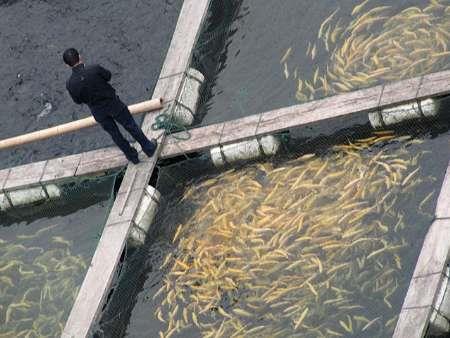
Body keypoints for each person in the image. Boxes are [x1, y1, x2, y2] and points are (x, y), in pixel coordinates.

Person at [63, 48, 157, 164]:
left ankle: (132, 157)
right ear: (79, 56)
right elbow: (108, 76)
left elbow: (78, 101)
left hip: (98, 112)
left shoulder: (70, 84)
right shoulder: (95, 69)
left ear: (67, 65)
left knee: (115, 134)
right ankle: (148, 148)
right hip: (113, 104)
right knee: (130, 126)